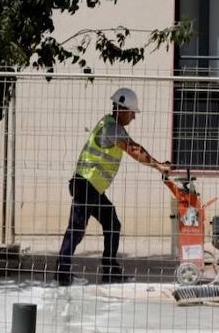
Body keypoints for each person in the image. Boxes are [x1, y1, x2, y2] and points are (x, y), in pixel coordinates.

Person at [56, 87, 170, 285]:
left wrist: (157, 163)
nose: (134, 117)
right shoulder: (111, 128)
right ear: (123, 109)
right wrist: (158, 166)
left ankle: (110, 270)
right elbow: (135, 150)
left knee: (112, 223)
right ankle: (63, 275)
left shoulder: (114, 127)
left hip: (91, 186)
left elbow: (134, 145)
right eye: (132, 112)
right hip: (86, 184)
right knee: (76, 228)